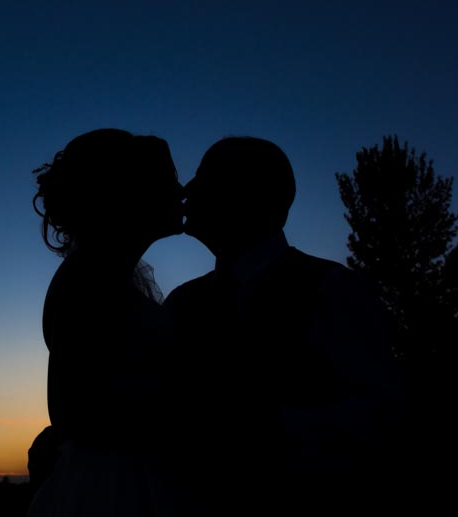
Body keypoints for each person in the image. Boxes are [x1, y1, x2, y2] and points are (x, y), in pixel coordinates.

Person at [164, 137, 404, 511]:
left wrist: (270, 426)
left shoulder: (334, 290)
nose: (188, 189)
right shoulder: (181, 302)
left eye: (205, 177)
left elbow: (383, 417)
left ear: (252, 194)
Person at [27, 128, 184, 517]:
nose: (181, 191)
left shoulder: (106, 273)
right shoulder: (88, 281)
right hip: (119, 495)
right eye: (167, 181)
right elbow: (73, 411)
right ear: (126, 194)